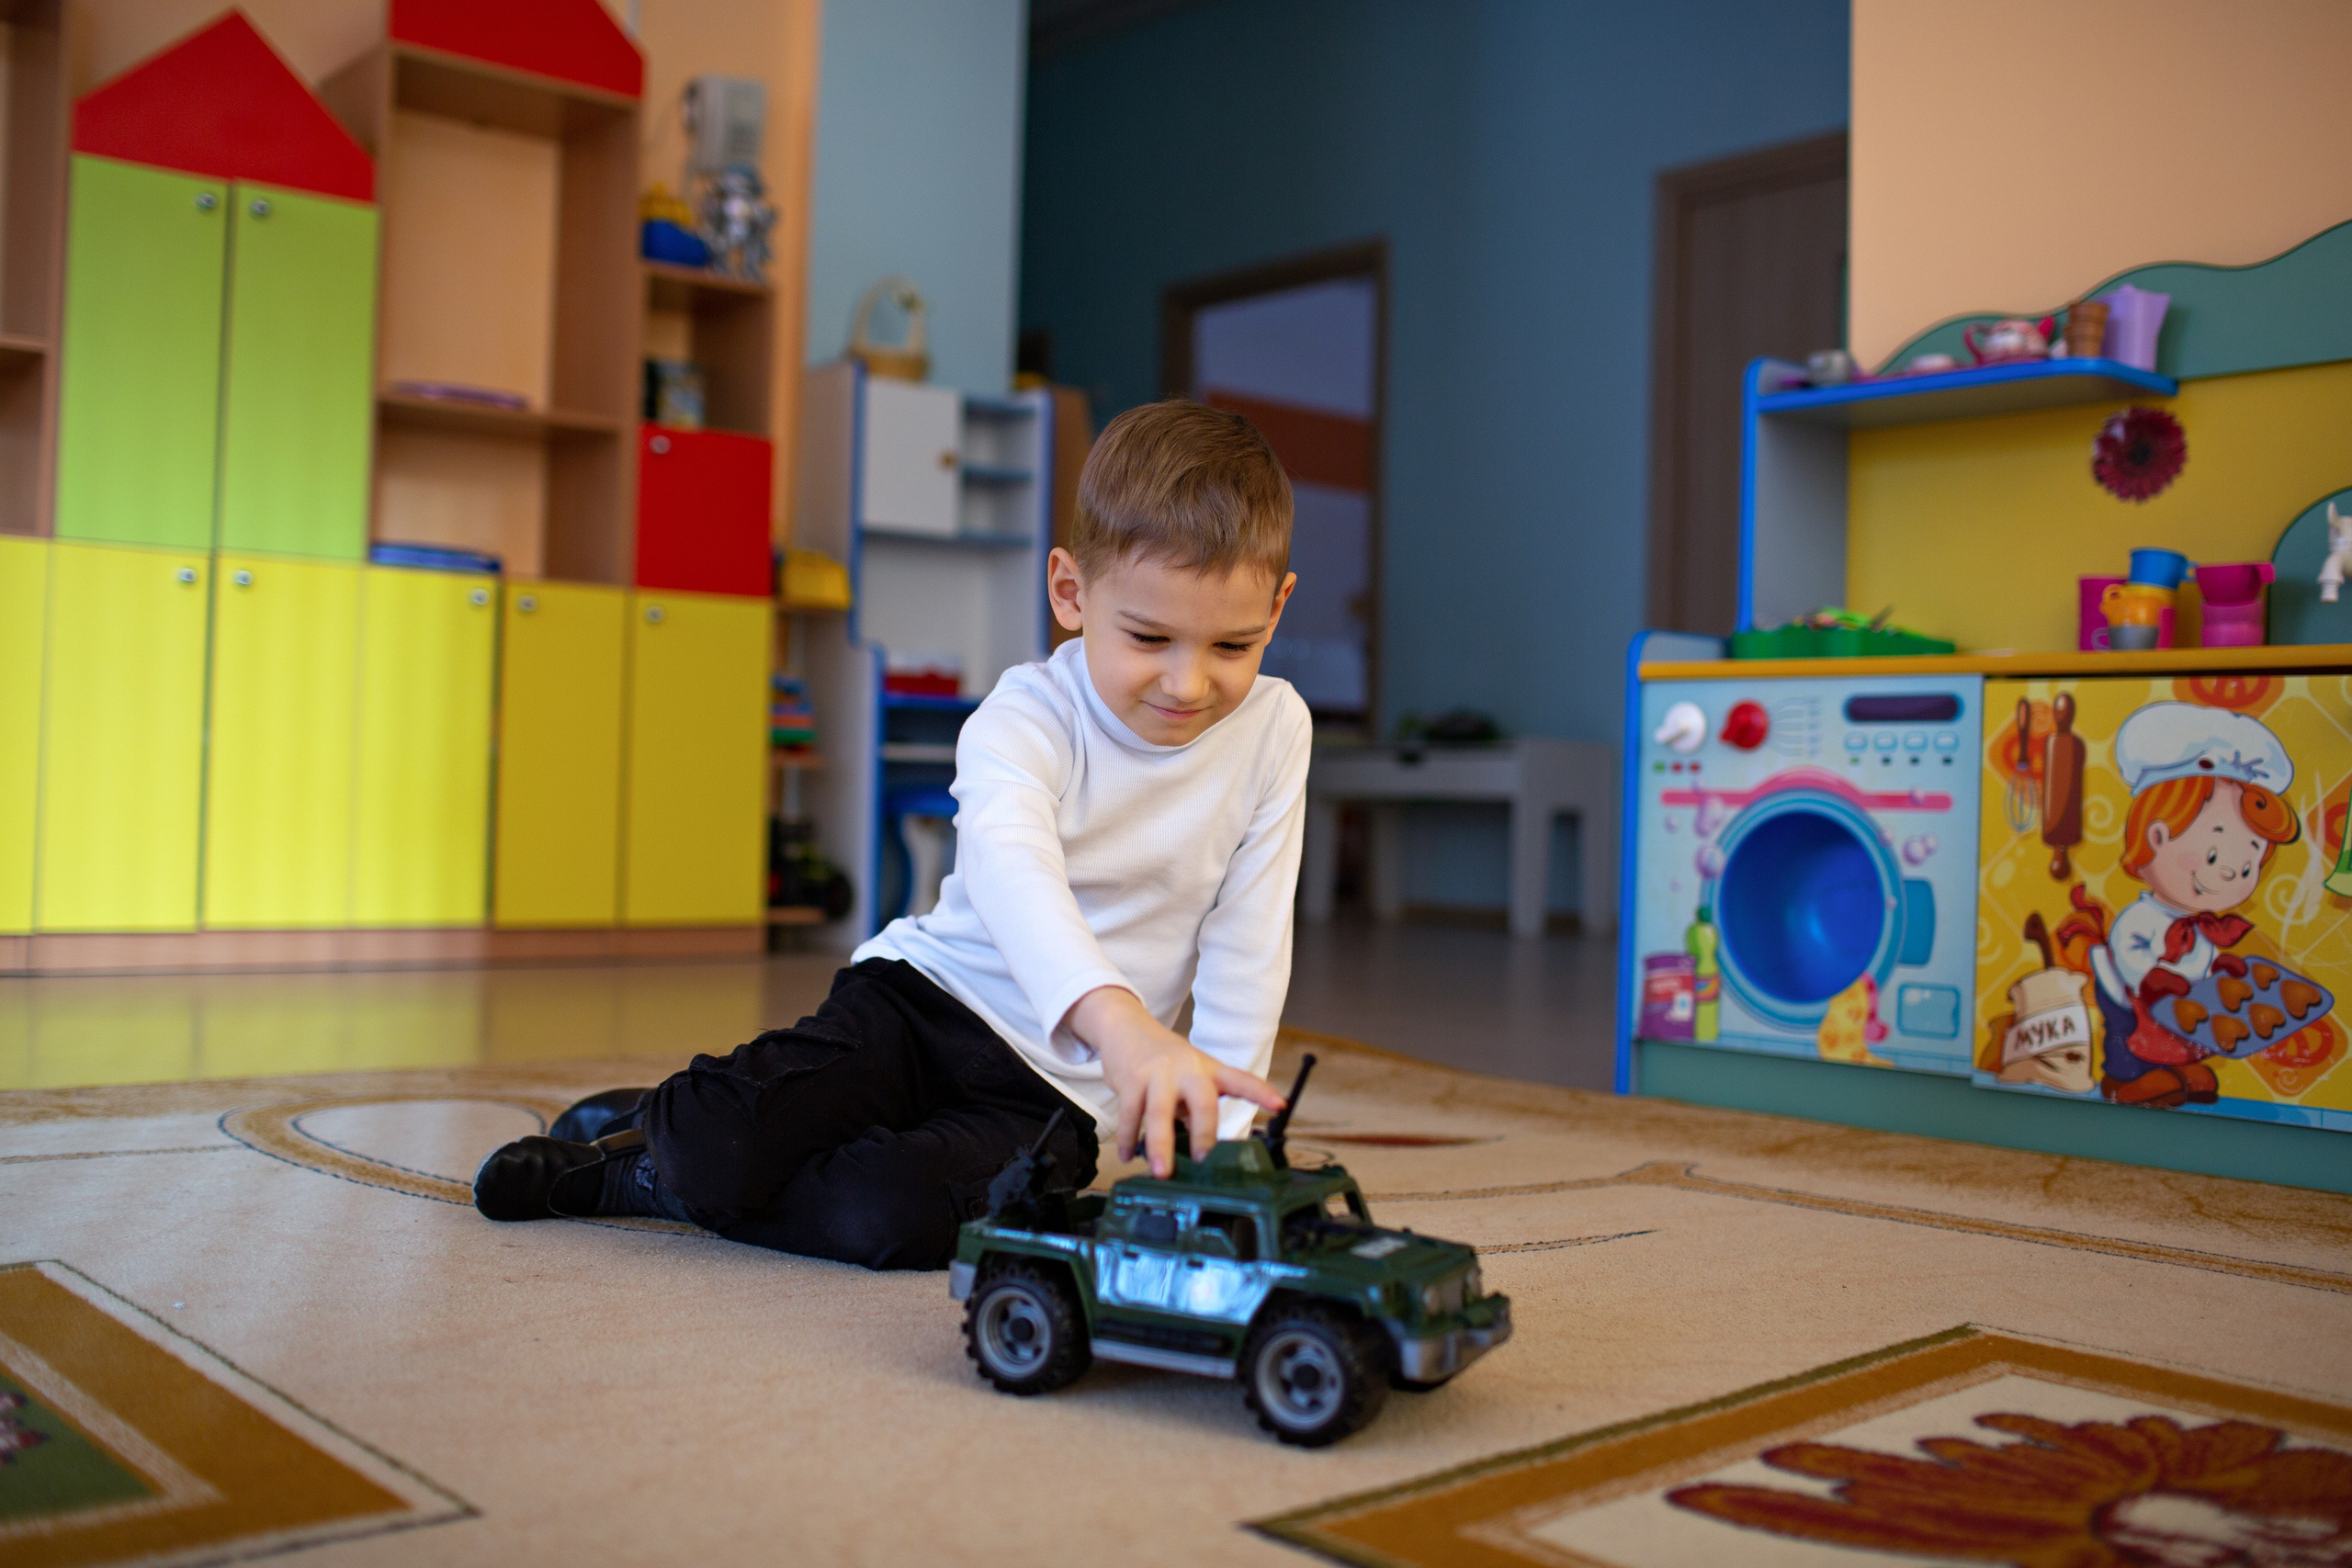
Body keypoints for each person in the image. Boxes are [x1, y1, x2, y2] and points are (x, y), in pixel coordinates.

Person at [471, 400, 1313, 1269]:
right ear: (1070, 591)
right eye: (1149, 637)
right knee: (718, 1139)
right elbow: (1015, 878)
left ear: (1278, 609)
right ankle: (654, 1152)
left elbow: (1250, 939)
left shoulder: (1277, 728)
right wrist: (1122, 1023)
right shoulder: (1024, 715)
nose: (1189, 682)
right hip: (922, 1006)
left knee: (886, 1219)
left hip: (1057, 1096)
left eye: (1231, 646)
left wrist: (1223, 1144)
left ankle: (666, 1167)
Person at [2081, 703, 2301, 1108]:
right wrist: (2151, 977)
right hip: (2133, 994)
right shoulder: (2143, 918)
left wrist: (2220, 967)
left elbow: (2203, 956)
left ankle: (2176, 1073)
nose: (2232, 875)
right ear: (2159, 836)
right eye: (2214, 857)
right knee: (2127, 1029)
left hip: (2180, 1004)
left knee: (2181, 1036)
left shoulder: (2200, 925)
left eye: (2249, 862)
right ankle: (2125, 1078)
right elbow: (2129, 953)